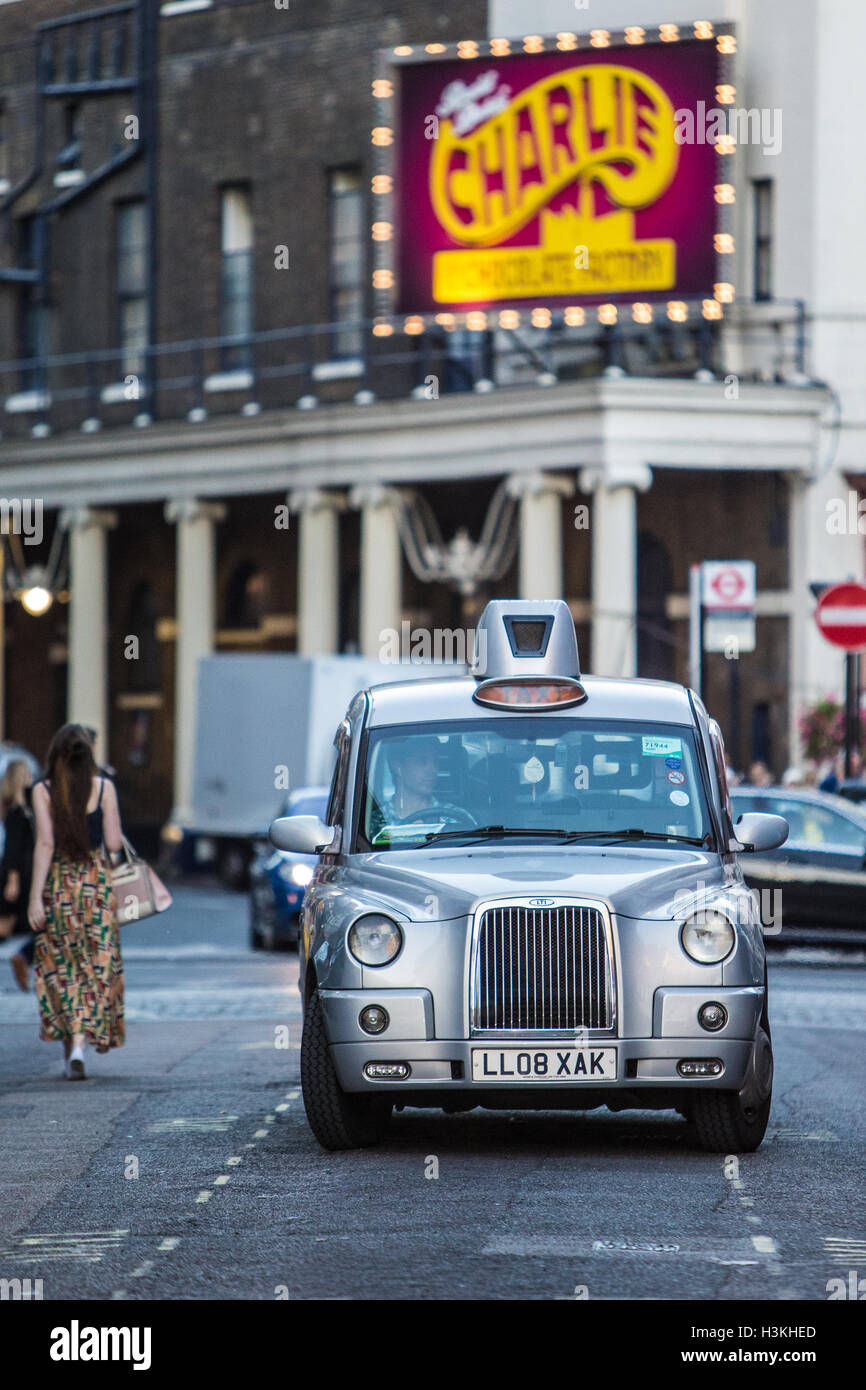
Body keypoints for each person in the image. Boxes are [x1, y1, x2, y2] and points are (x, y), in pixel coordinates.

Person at [27, 723, 125, 1080]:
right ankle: (81, 1044)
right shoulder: (105, 789)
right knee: (95, 966)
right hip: (97, 885)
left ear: (55, 756)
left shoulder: (43, 791)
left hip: (60, 886)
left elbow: (45, 845)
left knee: (62, 968)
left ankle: (73, 1050)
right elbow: (113, 845)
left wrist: (35, 898)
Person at [0, 760, 36, 990]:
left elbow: (11, 848)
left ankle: (24, 956)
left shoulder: (14, 810)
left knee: (7, 925)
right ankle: (24, 955)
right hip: (22, 874)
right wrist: (13, 881)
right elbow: (14, 847)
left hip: (17, 874)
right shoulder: (21, 811)